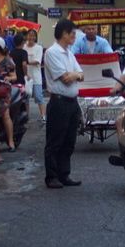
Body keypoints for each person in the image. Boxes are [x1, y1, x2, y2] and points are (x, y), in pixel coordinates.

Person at [44, 18, 85, 189]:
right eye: (72, 34)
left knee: (69, 140)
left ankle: (64, 174)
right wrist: (75, 75)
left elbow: (81, 74)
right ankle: (52, 176)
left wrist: (75, 74)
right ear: (63, 34)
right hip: (59, 102)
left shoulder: (69, 52)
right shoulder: (52, 53)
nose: (74, 37)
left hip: (72, 102)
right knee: (55, 140)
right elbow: (66, 79)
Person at [22, 29, 46, 123]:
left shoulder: (39, 48)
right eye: (29, 35)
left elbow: (37, 61)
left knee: (39, 96)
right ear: (26, 36)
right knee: (26, 98)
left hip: (36, 76)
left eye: (33, 35)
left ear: (35, 37)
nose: (31, 37)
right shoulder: (24, 47)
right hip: (26, 75)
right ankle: (26, 117)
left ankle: (43, 116)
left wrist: (26, 62)